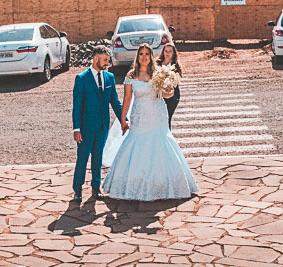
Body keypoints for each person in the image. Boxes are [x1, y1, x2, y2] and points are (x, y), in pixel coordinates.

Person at [100, 44, 198, 201]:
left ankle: (166, 184)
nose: (144, 57)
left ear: (151, 56)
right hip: (139, 116)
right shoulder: (131, 75)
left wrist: (168, 89)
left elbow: (168, 94)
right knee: (136, 144)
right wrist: (123, 119)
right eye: (141, 54)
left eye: (147, 54)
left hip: (157, 115)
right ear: (137, 57)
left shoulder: (157, 73)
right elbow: (126, 99)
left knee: (161, 143)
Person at [71, 46, 124, 202]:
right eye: (105, 60)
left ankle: (96, 188)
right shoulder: (81, 78)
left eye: (108, 60)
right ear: (96, 58)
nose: (108, 63)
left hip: (102, 126)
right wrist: (76, 128)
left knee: (98, 158)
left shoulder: (110, 78)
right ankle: (78, 190)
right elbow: (77, 106)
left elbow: (114, 101)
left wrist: (123, 119)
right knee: (82, 158)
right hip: (85, 128)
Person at [157, 43, 182, 124]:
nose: (167, 53)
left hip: (173, 95)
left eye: (170, 51)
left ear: (173, 53)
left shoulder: (176, 65)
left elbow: (177, 80)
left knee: (167, 118)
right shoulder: (157, 63)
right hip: (160, 94)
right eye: (166, 51)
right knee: (160, 118)